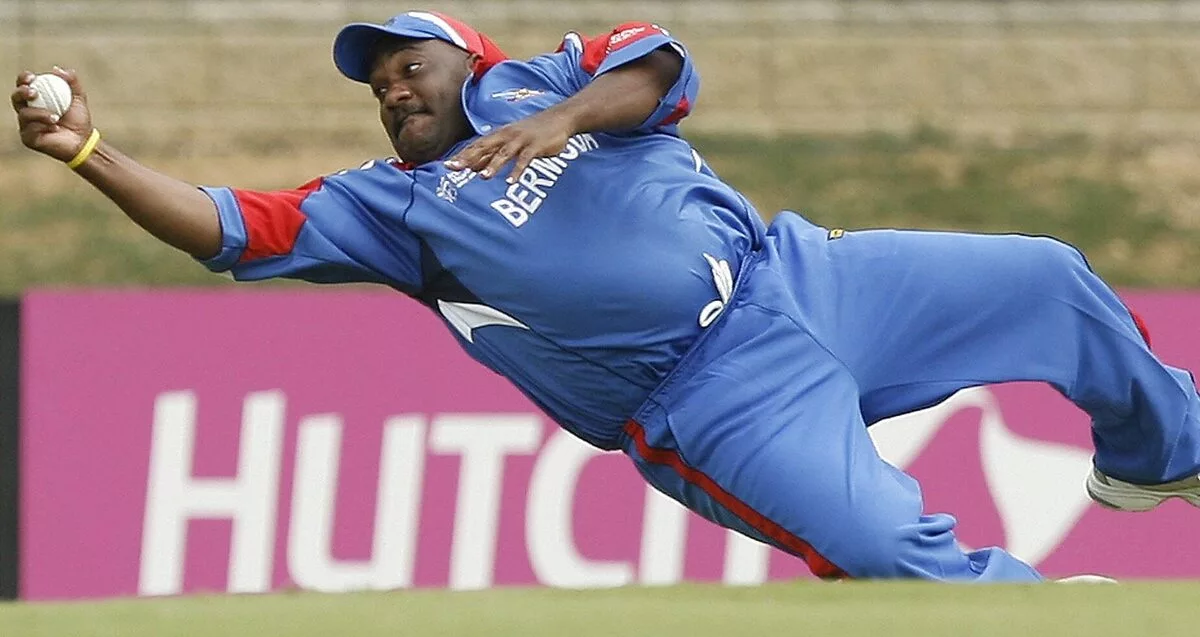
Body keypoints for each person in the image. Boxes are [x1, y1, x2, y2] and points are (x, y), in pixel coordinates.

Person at [12, 10, 1200, 583]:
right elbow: (223, 225)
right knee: (887, 550)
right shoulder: (386, 208)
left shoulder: (550, 77)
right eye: (379, 87)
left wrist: (557, 120)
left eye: (407, 67)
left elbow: (661, 64)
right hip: (712, 398)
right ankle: (1054, 614)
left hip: (805, 275)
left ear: (465, 57)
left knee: (1049, 275)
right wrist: (85, 149)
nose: (392, 93)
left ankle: (1161, 451)